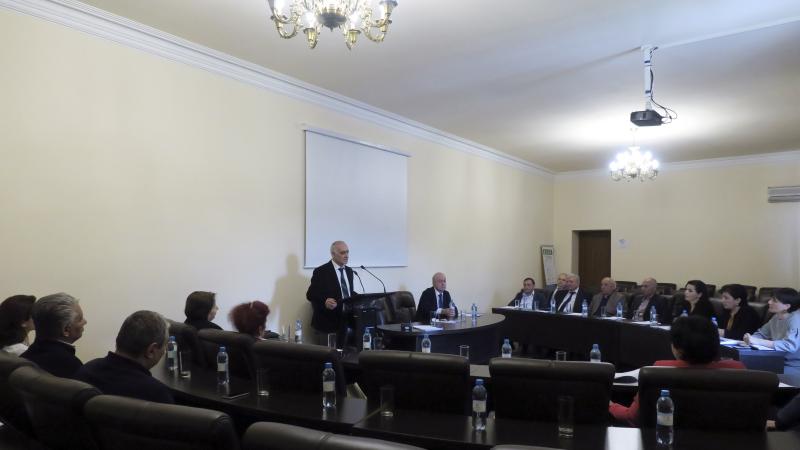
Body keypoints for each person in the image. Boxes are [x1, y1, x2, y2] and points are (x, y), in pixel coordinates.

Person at [609, 315, 745, 425]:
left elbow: (632, 417)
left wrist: (609, 405)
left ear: (677, 349)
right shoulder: (737, 369)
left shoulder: (660, 370)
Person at [76, 311, 173, 404]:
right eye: (165, 346)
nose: (164, 351)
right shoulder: (156, 394)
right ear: (151, 350)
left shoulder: (85, 371)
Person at [21, 293, 86, 378]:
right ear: (66, 330)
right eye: (80, 319)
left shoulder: (23, 358)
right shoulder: (72, 367)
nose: (85, 322)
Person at [306, 240, 357, 346]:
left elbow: (347, 293)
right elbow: (311, 294)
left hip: (347, 321)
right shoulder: (321, 271)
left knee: (347, 354)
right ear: (333, 254)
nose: (346, 255)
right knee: (330, 355)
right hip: (328, 323)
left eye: (347, 252)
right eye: (342, 253)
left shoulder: (349, 271)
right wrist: (325, 301)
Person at [744, 288, 800, 375]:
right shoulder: (776, 317)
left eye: (774, 301)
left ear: (787, 306)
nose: (769, 302)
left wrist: (759, 341)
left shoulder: (796, 319)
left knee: (753, 374)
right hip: (776, 360)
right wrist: (750, 339)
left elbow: (790, 345)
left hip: (792, 365)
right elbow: (762, 334)